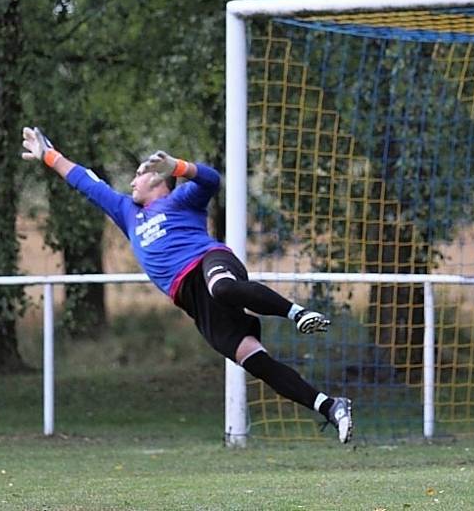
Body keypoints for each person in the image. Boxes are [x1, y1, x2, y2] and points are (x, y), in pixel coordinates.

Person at [21, 126, 353, 443]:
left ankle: (297, 314)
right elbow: (86, 182)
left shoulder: (181, 200)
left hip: (210, 262)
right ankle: (331, 406)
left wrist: (178, 165)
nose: (133, 180)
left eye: (140, 173)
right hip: (191, 299)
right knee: (256, 362)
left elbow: (211, 179)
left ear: (160, 180)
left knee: (222, 287)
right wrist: (47, 154)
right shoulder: (127, 212)